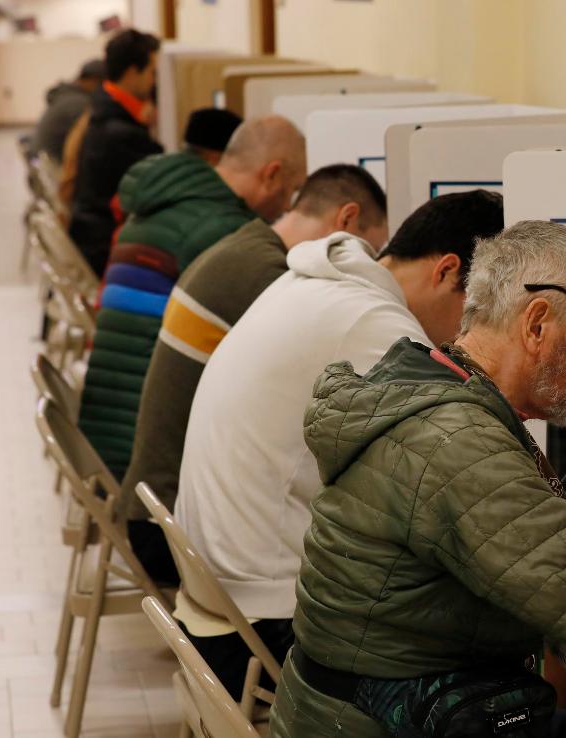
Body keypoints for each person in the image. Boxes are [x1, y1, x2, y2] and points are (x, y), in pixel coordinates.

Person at [269, 220, 566, 738]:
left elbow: (543, 522)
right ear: (538, 324)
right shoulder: (455, 438)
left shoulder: (436, 387)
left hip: (358, 707)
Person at [173, 190, 504, 700]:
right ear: (446, 271)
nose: (469, 331)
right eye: (478, 309)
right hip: (263, 621)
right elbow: (455, 477)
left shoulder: (312, 281)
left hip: (214, 590)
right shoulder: (378, 325)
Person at [121, 164, 388, 585]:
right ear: (347, 221)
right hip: (174, 533)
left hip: (155, 507)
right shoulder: (271, 279)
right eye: (371, 253)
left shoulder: (244, 248)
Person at [76, 116, 306, 482]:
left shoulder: (166, 202)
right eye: (293, 192)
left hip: (106, 432)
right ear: (272, 175)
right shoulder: (223, 232)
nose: (286, 209)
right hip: (144, 456)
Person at [69, 29, 162, 276]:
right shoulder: (120, 133)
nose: (155, 82)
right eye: (153, 72)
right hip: (105, 250)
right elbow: (160, 179)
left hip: (90, 236)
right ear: (133, 73)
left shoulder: (101, 112)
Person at [30, 59, 105, 163]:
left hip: (44, 161)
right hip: (53, 166)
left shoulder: (67, 95)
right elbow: (95, 140)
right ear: (91, 80)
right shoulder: (78, 103)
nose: (104, 89)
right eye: (102, 83)